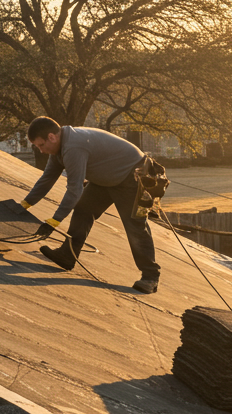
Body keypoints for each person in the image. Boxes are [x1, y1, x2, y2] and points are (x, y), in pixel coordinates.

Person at [22, 116, 161, 294]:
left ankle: (150, 277)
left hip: (131, 175)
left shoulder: (73, 147)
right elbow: (47, 178)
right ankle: (67, 255)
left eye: (41, 145)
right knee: (83, 209)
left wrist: (54, 221)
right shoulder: (59, 148)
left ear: (51, 137)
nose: (41, 151)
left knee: (135, 226)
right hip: (106, 178)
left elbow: (74, 189)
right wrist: (25, 204)